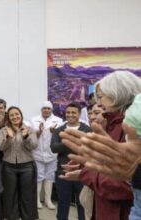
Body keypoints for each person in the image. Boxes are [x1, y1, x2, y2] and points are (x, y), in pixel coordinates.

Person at [60, 71, 141, 220]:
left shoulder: (131, 127)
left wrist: (85, 174)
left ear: (117, 94)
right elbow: (109, 166)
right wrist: (87, 165)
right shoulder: (111, 124)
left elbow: (124, 185)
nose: (99, 103)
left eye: (101, 97)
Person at [0, 106, 38, 220]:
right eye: (12, 115)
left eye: (17, 114)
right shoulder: (3, 130)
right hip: (9, 167)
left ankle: (27, 217)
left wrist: (26, 137)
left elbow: (33, 146)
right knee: (10, 194)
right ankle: (11, 217)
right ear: (8, 118)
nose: (15, 117)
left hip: (27, 166)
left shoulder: (29, 129)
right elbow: (0, 147)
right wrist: (8, 138)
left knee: (27, 195)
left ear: (21, 115)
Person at [51, 102, 90, 220]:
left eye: (73, 112)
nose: (70, 115)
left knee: (82, 203)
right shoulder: (59, 130)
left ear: (79, 114)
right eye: (68, 112)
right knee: (63, 202)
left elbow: (90, 149)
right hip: (63, 171)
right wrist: (68, 140)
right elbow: (53, 148)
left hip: (82, 171)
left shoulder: (87, 129)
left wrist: (68, 140)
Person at [30, 101, 63, 210]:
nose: (46, 110)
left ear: (51, 110)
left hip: (51, 154)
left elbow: (61, 137)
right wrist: (39, 131)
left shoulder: (58, 121)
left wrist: (55, 132)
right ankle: (37, 200)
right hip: (38, 153)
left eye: (48, 108)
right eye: (44, 108)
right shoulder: (34, 120)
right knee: (38, 177)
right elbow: (31, 137)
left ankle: (48, 200)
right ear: (41, 109)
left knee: (50, 177)